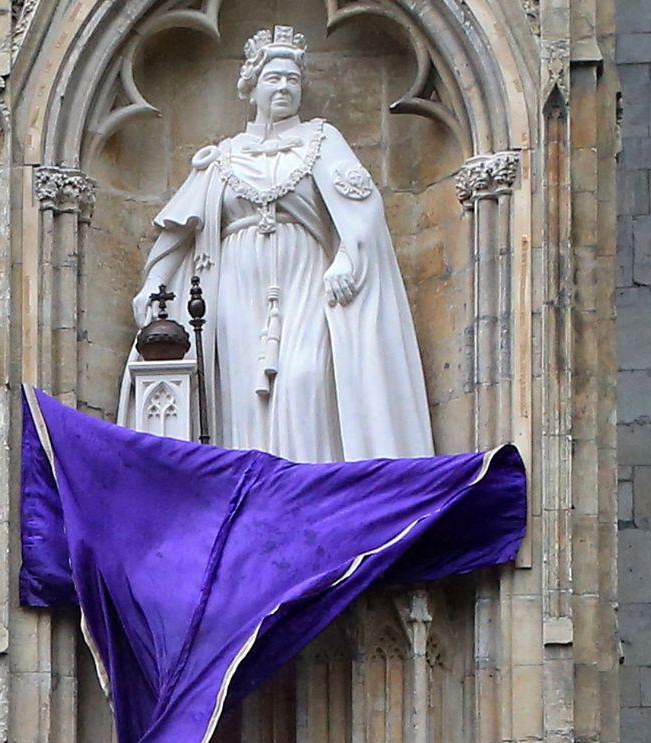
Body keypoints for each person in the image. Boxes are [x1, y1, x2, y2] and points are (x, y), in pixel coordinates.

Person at [118, 25, 434, 462]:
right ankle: (253, 497)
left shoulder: (322, 142)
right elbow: (177, 229)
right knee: (242, 395)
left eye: (292, 78)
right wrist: (154, 284)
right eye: (274, 77)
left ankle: (309, 491)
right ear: (252, 86)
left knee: (305, 379)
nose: (284, 86)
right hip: (234, 286)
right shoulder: (223, 156)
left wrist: (348, 257)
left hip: (306, 276)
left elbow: (362, 210)